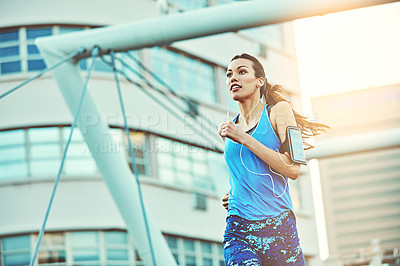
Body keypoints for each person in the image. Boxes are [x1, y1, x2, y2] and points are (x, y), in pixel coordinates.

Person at [218, 53, 329, 265]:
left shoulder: (279, 112)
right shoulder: (228, 128)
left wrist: (244, 138)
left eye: (242, 72)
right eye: (229, 74)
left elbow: (293, 169)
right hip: (239, 228)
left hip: (280, 229)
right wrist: (235, 192)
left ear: (260, 81)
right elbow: (246, 170)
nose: (233, 78)